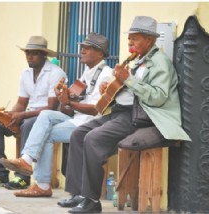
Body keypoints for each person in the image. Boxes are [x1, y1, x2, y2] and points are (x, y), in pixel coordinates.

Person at [59, 16, 191, 213]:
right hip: (122, 112)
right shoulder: (138, 60)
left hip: (142, 116)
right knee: (78, 134)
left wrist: (127, 80)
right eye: (129, 38)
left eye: (135, 38)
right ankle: (78, 193)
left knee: (93, 138)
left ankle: (92, 202)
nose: (130, 42)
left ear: (149, 40)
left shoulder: (160, 63)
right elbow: (130, 89)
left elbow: (158, 97)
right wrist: (111, 88)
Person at [0, 32, 113, 197]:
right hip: (77, 119)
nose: (82, 51)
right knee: (45, 117)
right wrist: (64, 98)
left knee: (44, 133)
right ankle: (29, 164)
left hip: (91, 124)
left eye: (88, 48)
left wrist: (69, 103)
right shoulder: (86, 73)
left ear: (100, 54)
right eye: (83, 47)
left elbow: (95, 109)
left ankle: (40, 182)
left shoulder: (106, 74)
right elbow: (68, 108)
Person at [0, 36, 67, 189]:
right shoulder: (25, 73)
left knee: (28, 125)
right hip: (29, 114)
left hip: (48, 118)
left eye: (34, 53)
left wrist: (22, 115)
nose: (29, 57)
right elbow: (22, 103)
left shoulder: (56, 73)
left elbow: (51, 107)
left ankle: (22, 177)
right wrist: (10, 115)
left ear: (44, 55)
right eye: (27, 53)